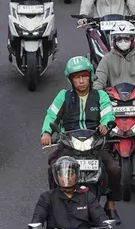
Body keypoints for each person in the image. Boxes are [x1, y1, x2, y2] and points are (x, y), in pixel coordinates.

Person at [40, 56, 123, 208]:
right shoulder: (63, 96)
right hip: (69, 145)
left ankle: (111, 202)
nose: (81, 81)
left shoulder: (100, 96)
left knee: (114, 168)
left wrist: (104, 125)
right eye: (76, 77)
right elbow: (51, 115)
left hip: (95, 144)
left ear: (90, 76)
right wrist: (46, 133)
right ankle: (55, 202)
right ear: (70, 80)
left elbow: (108, 113)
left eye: (84, 76)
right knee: (53, 167)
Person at [93, 21, 135, 167]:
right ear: (113, 41)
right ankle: (98, 151)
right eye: (119, 39)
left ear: (133, 40)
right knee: (97, 117)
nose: (123, 42)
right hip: (113, 100)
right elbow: (99, 78)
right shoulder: (107, 59)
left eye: (126, 39)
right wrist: (97, 91)